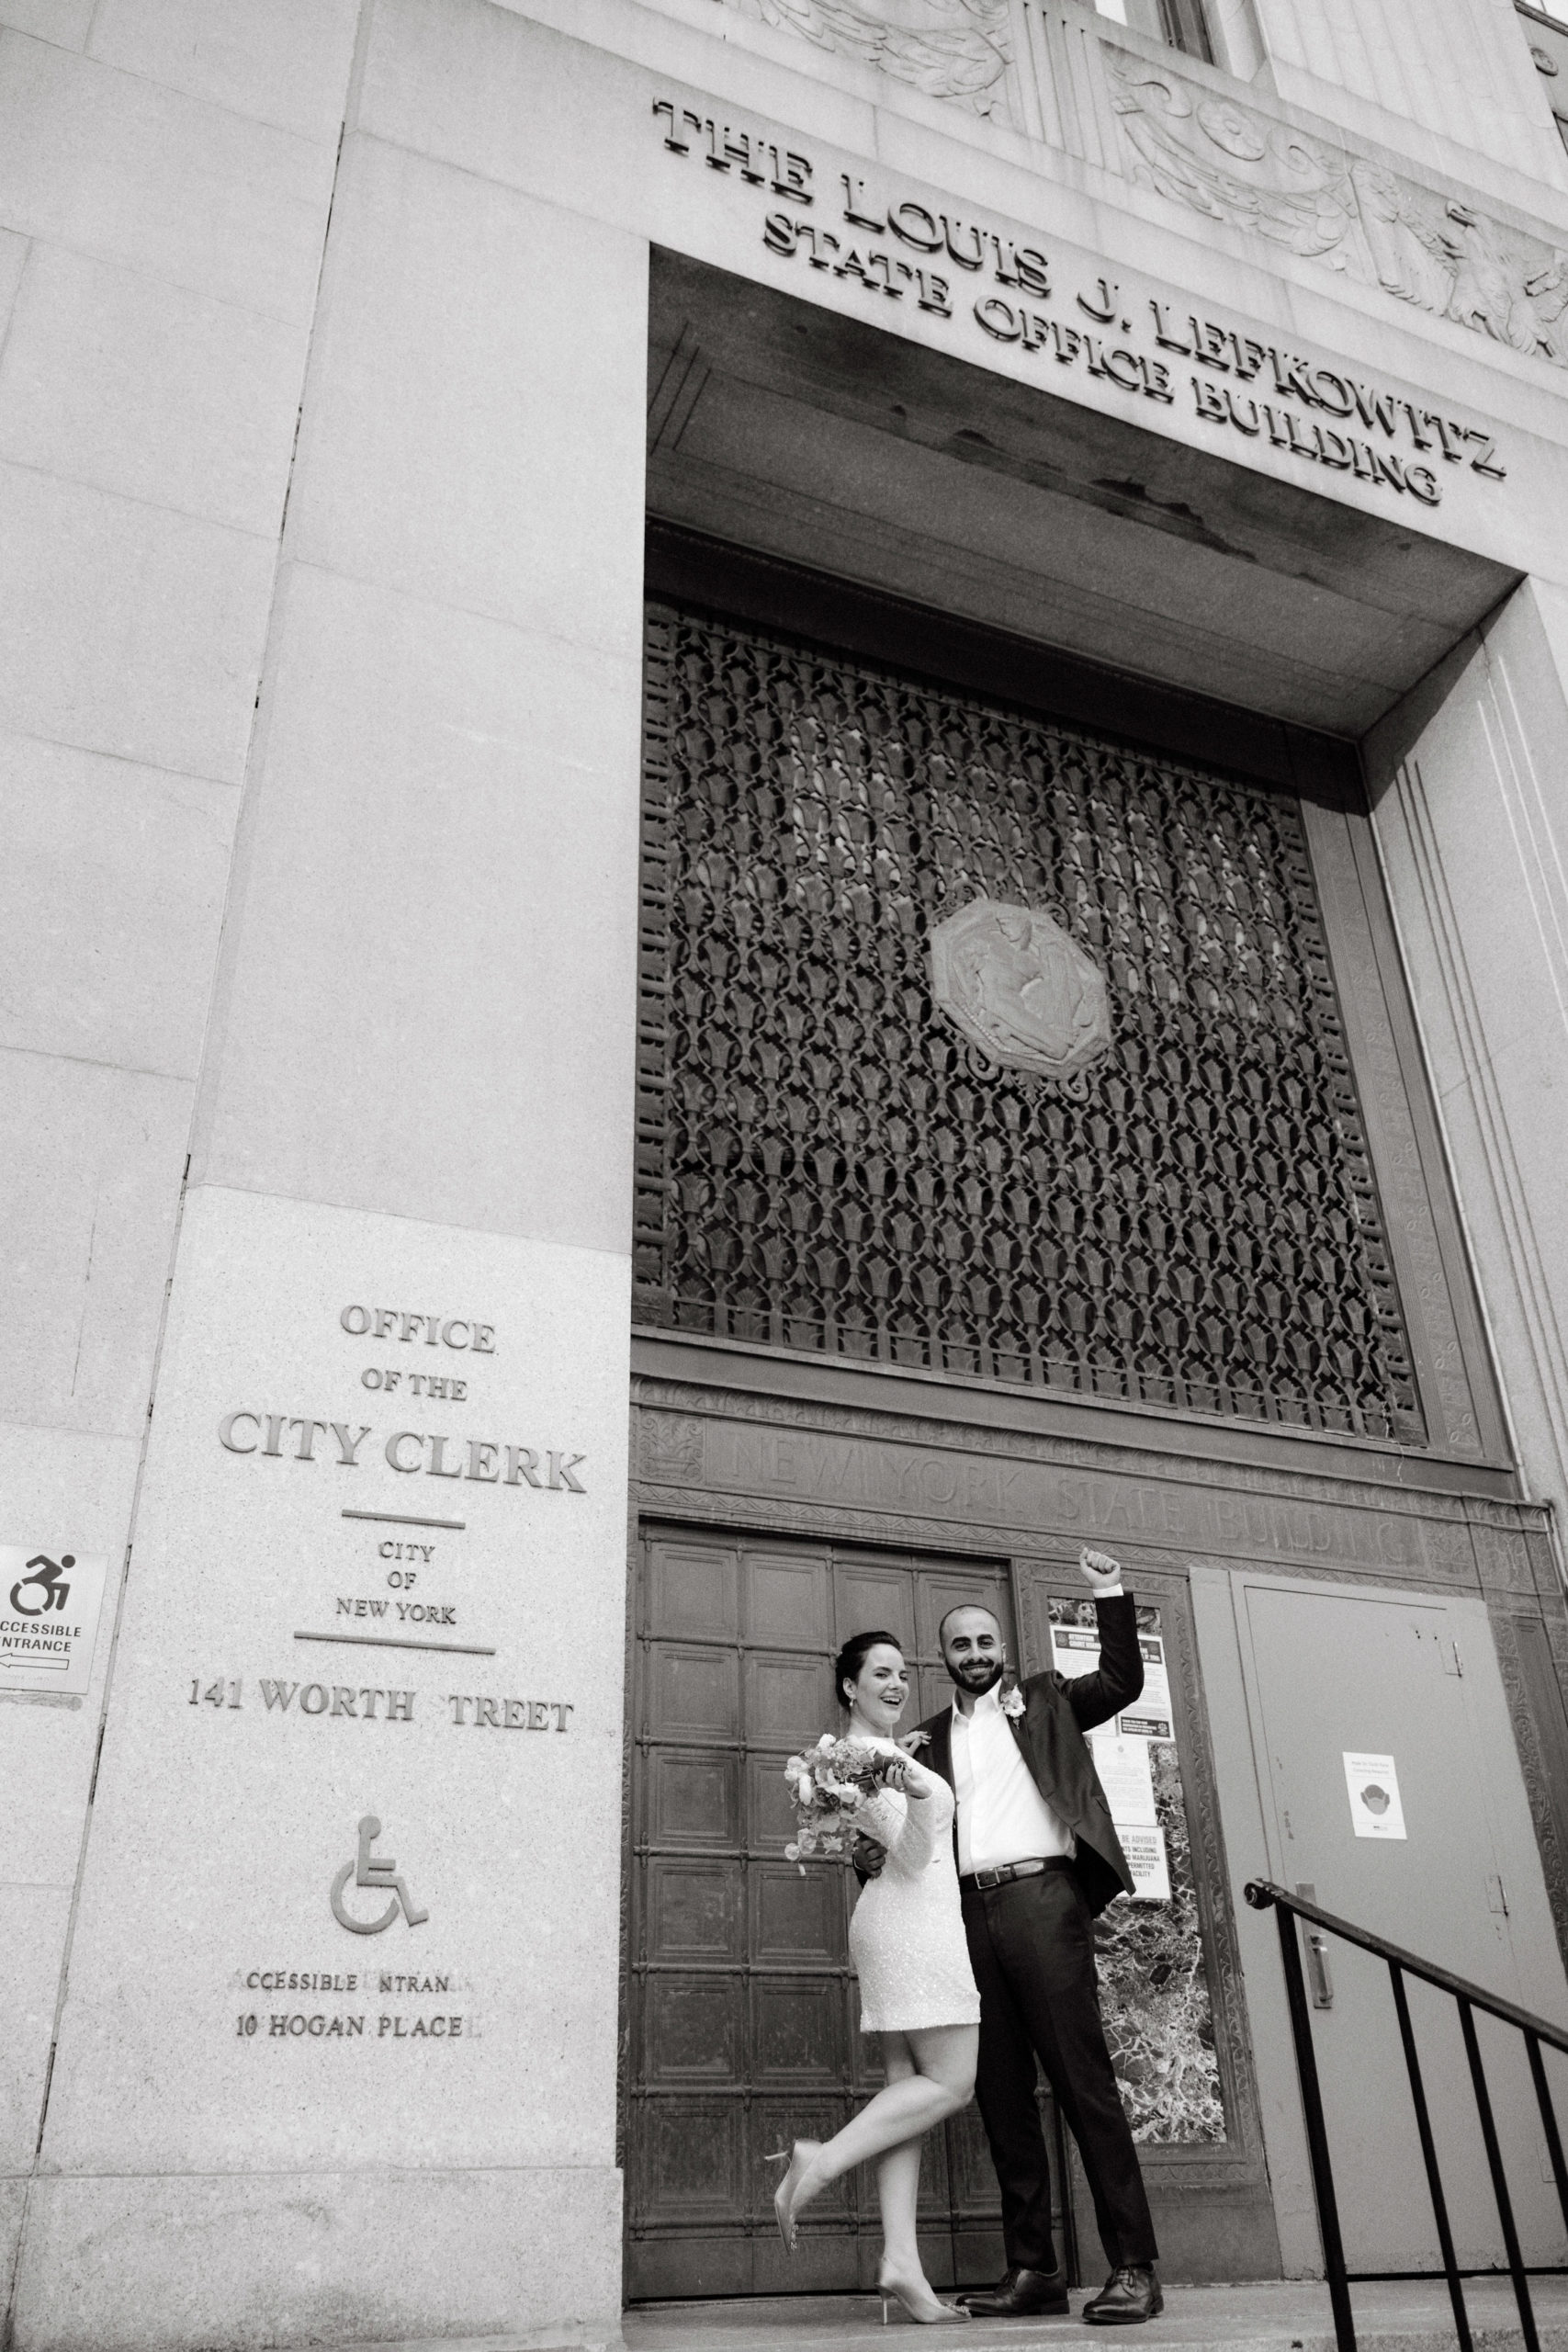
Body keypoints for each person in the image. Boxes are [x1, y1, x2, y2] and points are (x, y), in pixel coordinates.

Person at [872, 1546, 1162, 2325]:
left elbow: (1125, 1681)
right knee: (1000, 2095)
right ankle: (1033, 2270)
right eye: (960, 1646)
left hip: (1042, 1901)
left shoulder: (1046, 1700)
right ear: (945, 1658)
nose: (974, 1655)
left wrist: (1108, 1590)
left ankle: (1134, 2266)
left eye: (984, 1642)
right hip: (965, 1913)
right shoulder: (926, 1738)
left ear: (1002, 1649)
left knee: (1080, 2083)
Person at [769, 1629, 980, 2325]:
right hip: (914, 1923)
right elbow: (915, 1856)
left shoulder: (868, 1757)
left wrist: (904, 1770)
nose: (896, 1684)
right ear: (848, 1687)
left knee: (904, 2102)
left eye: (901, 1674)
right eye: (879, 1673)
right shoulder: (859, 1760)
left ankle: (901, 2264)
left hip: (896, 1919)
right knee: (951, 2081)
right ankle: (819, 2162)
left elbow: (882, 1843)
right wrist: (919, 1788)